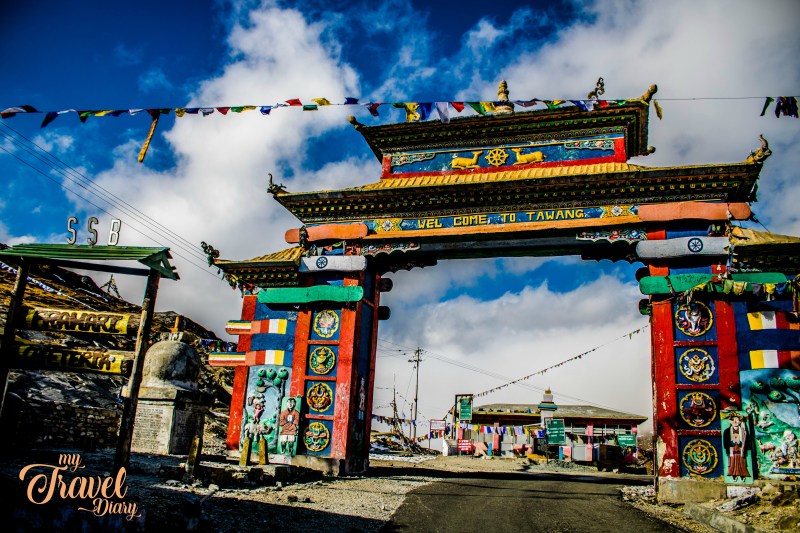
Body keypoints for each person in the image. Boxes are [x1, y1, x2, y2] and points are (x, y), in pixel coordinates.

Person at [722, 411, 751, 481]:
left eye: (737, 420)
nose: (735, 422)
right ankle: (733, 475)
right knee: (732, 462)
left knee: (742, 462)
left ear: (740, 422)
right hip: (732, 449)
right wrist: (731, 444)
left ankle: (742, 475)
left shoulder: (743, 431)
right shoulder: (727, 431)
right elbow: (725, 442)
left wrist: (741, 443)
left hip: (740, 449)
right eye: (733, 420)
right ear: (730, 421)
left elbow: (747, 441)